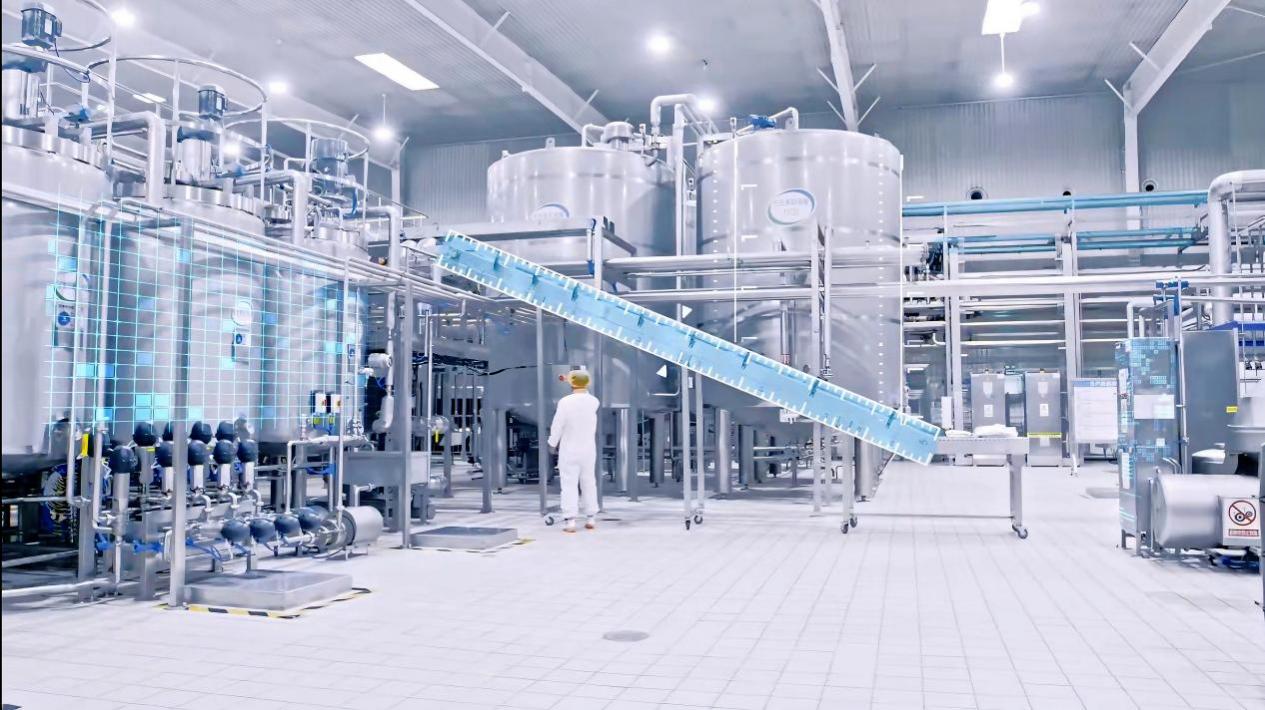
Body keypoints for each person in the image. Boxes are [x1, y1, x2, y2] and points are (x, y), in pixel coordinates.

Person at [547, 369, 600, 533]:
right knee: (589, 482)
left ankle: (570, 521)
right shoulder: (594, 401)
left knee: (569, 484)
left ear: (571, 384)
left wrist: (552, 443)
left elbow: (558, 424)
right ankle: (591, 518)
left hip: (569, 449)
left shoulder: (565, 402)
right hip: (588, 449)